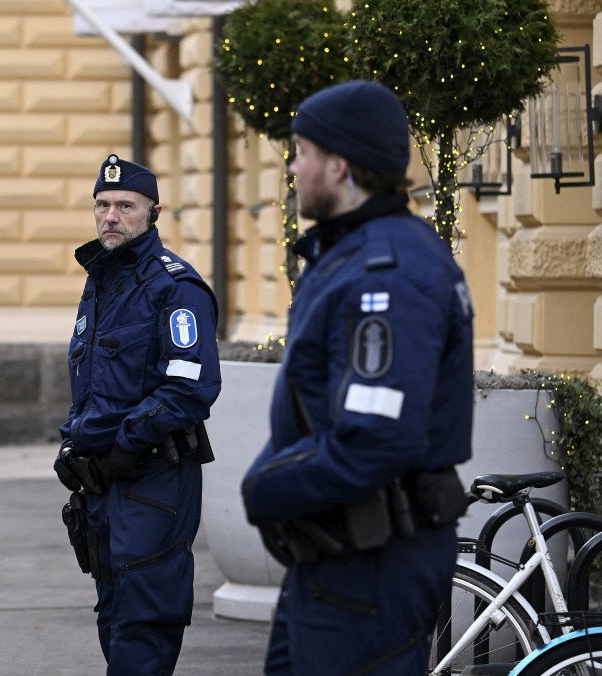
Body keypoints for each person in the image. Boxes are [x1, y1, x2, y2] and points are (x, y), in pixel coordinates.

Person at [241, 80, 475, 674]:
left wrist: (266, 488)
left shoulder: (388, 272)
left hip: (372, 565)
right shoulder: (352, 253)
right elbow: (313, 403)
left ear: (339, 164)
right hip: (333, 556)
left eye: (301, 152)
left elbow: (376, 437)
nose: (293, 168)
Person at [54, 154, 221, 675]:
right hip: (103, 481)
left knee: (144, 620)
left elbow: (189, 389)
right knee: (113, 613)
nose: (110, 216)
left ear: (154, 212)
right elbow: (95, 385)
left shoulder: (175, 288)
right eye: (102, 205)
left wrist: (127, 442)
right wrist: (73, 442)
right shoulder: (102, 282)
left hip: (153, 479)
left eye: (125, 206)